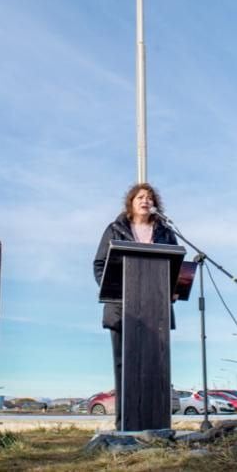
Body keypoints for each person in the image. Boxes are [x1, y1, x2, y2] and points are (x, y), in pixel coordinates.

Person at [93, 182, 178, 430]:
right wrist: (111, 287)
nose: (145, 201)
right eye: (140, 197)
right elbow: (100, 265)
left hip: (157, 310)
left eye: (150, 198)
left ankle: (158, 424)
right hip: (123, 309)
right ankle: (125, 426)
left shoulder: (165, 232)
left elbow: (176, 266)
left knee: (157, 366)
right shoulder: (115, 229)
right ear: (131, 202)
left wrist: (174, 289)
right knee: (124, 366)